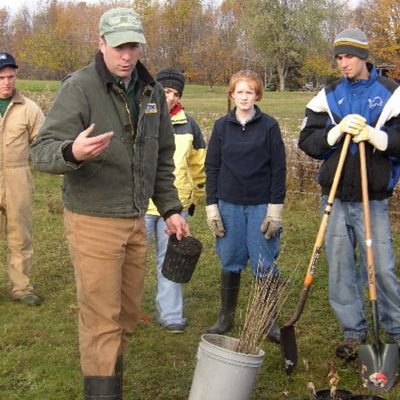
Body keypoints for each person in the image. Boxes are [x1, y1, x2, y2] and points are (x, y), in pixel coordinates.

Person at [30, 8, 189, 400]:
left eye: (133, 46)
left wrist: (169, 209)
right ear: (101, 43)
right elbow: (41, 152)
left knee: (126, 315)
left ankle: (110, 381)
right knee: (102, 318)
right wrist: (73, 151)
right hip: (93, 220)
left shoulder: (151, 90)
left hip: (136, 219)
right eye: (118, 46)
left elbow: (162, 156)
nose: (126, 55)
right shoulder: (79, 88)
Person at [298, 28, 400, 360]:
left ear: (364, 57)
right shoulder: (327, 96)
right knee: (340, 266)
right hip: (336, 196)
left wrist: (374, 135)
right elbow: (307, 141)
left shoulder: (391, 94)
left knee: (381, 267)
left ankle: (395, 330)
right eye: (339, 57)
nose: (344, 63)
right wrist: (334, 132)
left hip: (374, 198)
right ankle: (354, 332)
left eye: (350, 57)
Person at [205, 70, 286, 343]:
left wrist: (275, 209)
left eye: (249, 92)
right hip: (229, 204)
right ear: (232, 94)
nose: (244, 97)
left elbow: (279, 169)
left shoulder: (269, 127)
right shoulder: (220, 127)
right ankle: (226, 317)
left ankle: (268, 320)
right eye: (239, 92)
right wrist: (211, 206)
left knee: (264, 261)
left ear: (257, 95)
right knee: (230, 257)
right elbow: (212, 167)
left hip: (261, 205)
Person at [145, 67, 206, 333]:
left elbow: (198, 165)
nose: (170, 97)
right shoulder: (141, 118)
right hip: (143, 206)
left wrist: (195, 197)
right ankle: (120, 313)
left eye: (175, 93)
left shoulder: (189, 125)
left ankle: (170, 315)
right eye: (166, 91)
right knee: (130, 261)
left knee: (169, 260)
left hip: (177, 206)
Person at [0, 52, 44, 306]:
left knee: (20, 235)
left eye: (11, 76)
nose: (7, 82)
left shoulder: (29, 108)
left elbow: (42, 143)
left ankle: (21, 287)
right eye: (2, 77)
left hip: (18, 177)